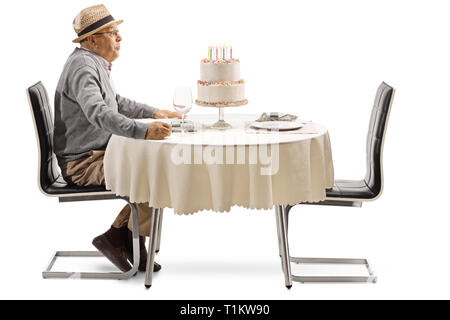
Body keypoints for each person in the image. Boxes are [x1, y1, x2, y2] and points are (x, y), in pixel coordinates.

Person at [53, 4, 181, 273]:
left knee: (154, 167)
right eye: (111, 32)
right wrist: (143, 130)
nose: (119, 38)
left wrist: (153, 112)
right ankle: (123, 240)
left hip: (97, 153)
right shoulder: (83, 67)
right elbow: (98, 112)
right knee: (153, 172)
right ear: (91, 40)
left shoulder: (92, 62)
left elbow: (115, 102)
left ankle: (120, 238)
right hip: (83, 164)